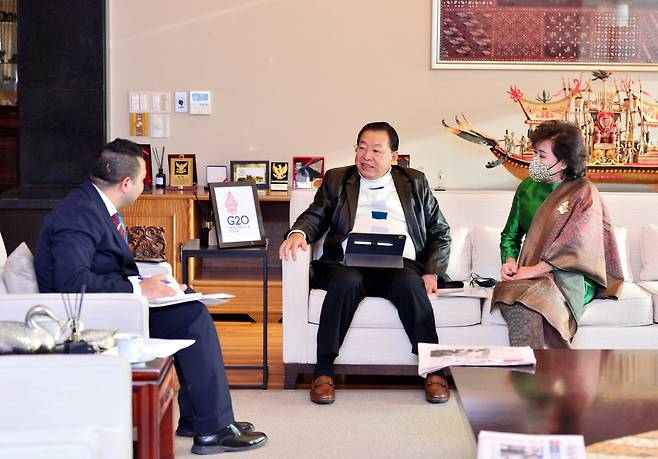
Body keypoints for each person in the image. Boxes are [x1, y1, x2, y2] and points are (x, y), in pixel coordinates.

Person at [35, 139, 267, 455]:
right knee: (192, 318)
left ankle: (197, 418)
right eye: (143, 179)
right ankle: (212, 430)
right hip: (86, 318)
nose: (145, 185)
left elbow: (104, 267)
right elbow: (73, 283)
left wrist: (163, 287)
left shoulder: (92, 204)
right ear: (126, 183)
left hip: (110, 306)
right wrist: (139, 290)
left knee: (188, 306)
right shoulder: (78, 216)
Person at [279, 122, 452, 404]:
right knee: (346, 282)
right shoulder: (337, 179)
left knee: (411, 285)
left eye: (376, 150)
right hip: (348, 263)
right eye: (361, 147)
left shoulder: (415, 182)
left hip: (400, 265)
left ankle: (433, 370)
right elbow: (315, 215)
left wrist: (432, 272)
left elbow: (440, 232)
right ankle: (323, 372)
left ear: (394, 157)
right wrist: (298, 233)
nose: (366, 156)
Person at [492, 120, 624, 348]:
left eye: (542, 156)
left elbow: (574, 248)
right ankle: (536, 375)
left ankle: (532, 374)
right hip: (528, 273)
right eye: (535, 154)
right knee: (518, 302)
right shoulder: (527, 188)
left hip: (572, 276)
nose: (535, 161)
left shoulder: (584, 192)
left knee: (527, 301)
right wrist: (510, 262)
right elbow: (510, 236)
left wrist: (534, 270)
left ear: (563, 162)